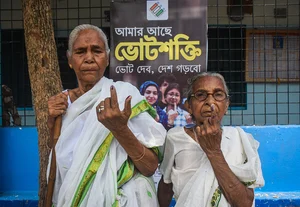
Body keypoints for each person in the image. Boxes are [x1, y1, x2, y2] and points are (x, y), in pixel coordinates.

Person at [47, 24, 166, 207]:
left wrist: (120, 129)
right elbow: (56, 156)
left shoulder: (125, 97)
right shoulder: (63, 105)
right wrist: (51, 120)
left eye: (96, 51)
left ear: (107, 58)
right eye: (80, 52)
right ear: (70, 60)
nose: (89, 58)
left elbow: (149, 167)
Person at [158, 72, 264, 207]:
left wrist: (214, 152)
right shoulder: (175, 137)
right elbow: (166, 187)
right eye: (201, 95)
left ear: (226, 105)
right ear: (189, 106)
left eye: (218, 95)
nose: (210, 101)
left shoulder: (239, 139)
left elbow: (245, 203)